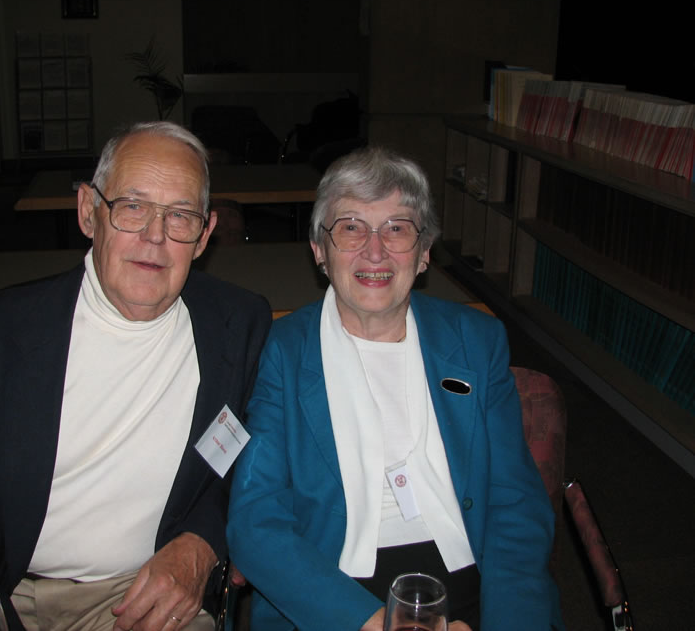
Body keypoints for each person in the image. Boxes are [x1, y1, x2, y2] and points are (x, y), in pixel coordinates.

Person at [0, 122, 271, 631]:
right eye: (132, 207)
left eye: (180, 215)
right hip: (0, 588)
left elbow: (251, 461)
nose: (155, 236)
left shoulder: (238, 325)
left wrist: (203, 541)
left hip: (139, 595)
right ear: (88, 211)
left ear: (204, 236)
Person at [226, 147, 563, 631]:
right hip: (334, 593)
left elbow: (515, 503)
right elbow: (256, 519)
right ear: (319, 250)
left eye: (397, 229)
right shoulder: (282, 351)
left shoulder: (476, 341)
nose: (375, 250)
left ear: (424, 252)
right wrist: (373, 623)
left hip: (474, 584)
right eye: (351, 227)